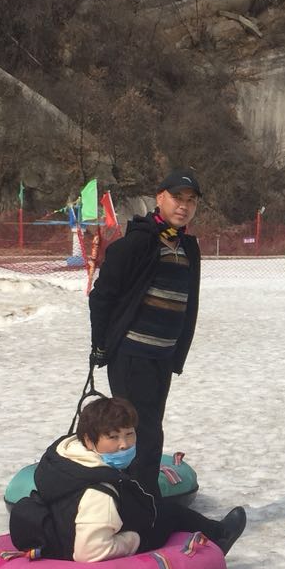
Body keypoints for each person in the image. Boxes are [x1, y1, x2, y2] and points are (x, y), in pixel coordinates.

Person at [11, 396, 246, 561]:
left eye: (129, 434)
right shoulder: (98, 493)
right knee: (169, 516)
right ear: (90, 440)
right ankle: (221, 536)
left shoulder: (63, 459)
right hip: (86, 540)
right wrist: (132, 539)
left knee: (163, 509)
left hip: (67, 525)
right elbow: (90, 552)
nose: (124, 444)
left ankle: (216, 532)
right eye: (113, 437)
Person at [88, 168, 201, 492]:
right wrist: (100, 344)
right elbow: (102, 296)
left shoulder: (187, 246)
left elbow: (189, 302)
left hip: (162, 355)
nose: (184, 206)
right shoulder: (137, 243)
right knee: (139, 431)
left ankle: (138, 495)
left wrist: (177, 354)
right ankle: (139, 499)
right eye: (177, 198)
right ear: (160, 198)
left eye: (191, 200)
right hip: (132, 354)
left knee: (148, 427)